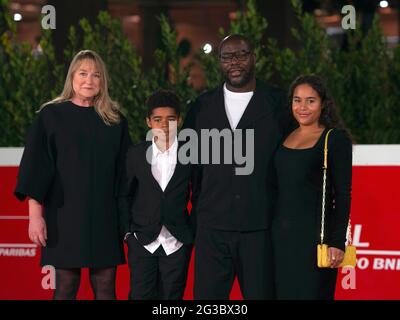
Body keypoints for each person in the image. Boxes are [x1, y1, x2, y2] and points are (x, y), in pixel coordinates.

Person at [14, 50, 131, 300]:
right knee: (65, 288)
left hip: (104, 218)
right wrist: (35, 217)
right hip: (64, 218)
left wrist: (126, 222)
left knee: (106, 289)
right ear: (72, 77)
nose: (89, 80)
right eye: (83, 73)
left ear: (103, 81)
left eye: (96, 75)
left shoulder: (115, 120)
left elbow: (125, 175)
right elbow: (36, 168)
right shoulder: (51, 116)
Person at [184, 34, 287, 299]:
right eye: (227, 56)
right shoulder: (202, 107)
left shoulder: (280, 105)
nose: (235, 62)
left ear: (254, 57)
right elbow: (191, 167)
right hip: (212, 229)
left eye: (241, 54)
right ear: (219, 62)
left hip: (260, 228)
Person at [271, 74, 353, 300]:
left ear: (323, 103)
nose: (302, 107)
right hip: (279, 240)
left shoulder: (334, 139)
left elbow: (343, 194)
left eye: (310, 100)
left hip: (315, 240)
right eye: (297, 100)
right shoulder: (284, 135)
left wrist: (337, 242)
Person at [117, 90, 194, 300]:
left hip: (177, 242)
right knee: (140, 295)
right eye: (158, 120)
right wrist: (128, 233)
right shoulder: (135, 154)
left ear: (179, 120)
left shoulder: (191, 155)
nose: (164, 125)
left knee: (172, 299)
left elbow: (201, 194)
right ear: (148, 122)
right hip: (142, 240)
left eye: (170, 119)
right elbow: (124, 195)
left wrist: (190, 232)